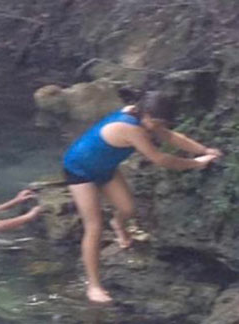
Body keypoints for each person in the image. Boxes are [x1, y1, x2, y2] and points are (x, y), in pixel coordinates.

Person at [62, 91, 222, 305]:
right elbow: (161, 159)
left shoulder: (140, 114)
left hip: (105, 167)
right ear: (144, 113)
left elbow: (172, 136)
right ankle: (94, 285)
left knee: (128, 208)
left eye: (161, 123)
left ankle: (118, 224)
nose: (157, 127)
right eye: (156, 122)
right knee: (94, 227)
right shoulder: (130, 128)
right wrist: (198, 163)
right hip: (79, 170)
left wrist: (204, 149)